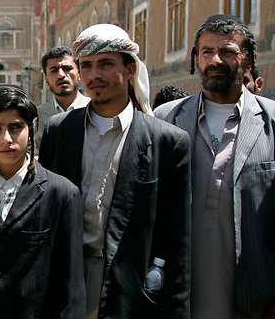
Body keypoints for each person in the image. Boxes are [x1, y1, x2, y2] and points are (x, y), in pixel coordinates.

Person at [40, 24, 191, 318]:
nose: (94, 74)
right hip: (65, 280)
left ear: (130, 69)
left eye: (106, 64)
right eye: (87, 65)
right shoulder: (58, 131)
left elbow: (177, 243)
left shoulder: (167, 142)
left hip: (129, 287)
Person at [154, 14, 275, 319]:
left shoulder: (272, 121)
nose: (216, 60)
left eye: (228, 52)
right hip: (179, 294)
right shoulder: (165, 120)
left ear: (248, 60)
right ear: (195, 59)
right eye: (207, 52)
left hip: (255, 295)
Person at [0, 84, 84, 318]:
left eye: (15, 127)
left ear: (32, 129)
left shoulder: (61, 194)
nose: (6, 139)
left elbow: (70, 287)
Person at [35, 46, 91, 151]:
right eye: (54, 70)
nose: (61, 75)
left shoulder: (94, 110)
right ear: (46, 80)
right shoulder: (37, 116)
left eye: (67, 69)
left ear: (79, 74)